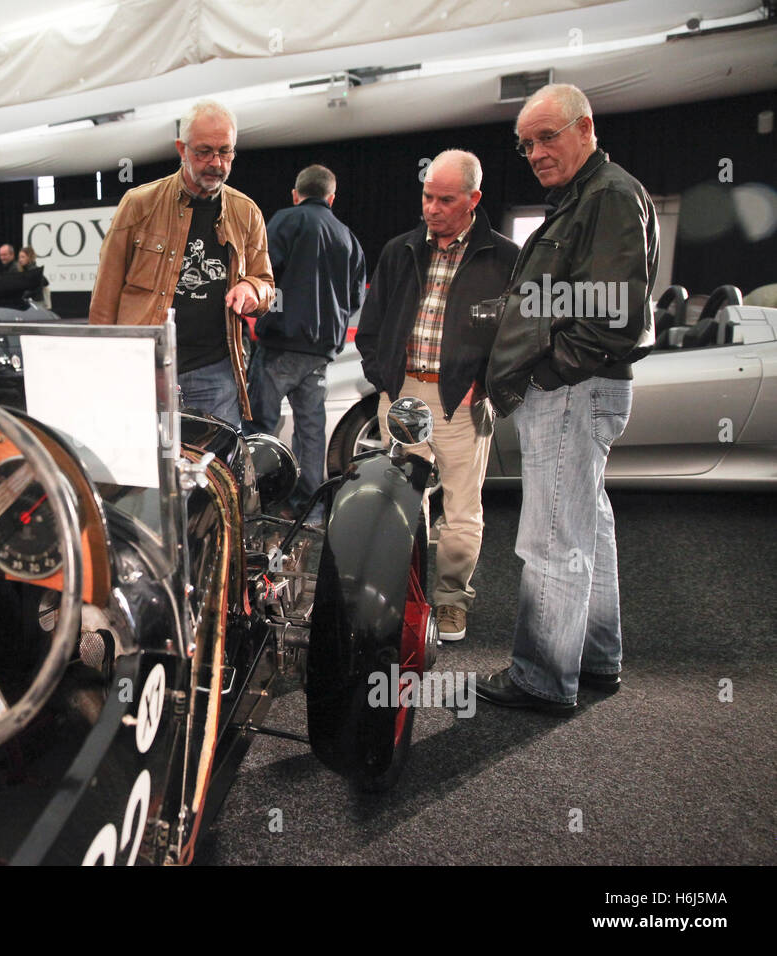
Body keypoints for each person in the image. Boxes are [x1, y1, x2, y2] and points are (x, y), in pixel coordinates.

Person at [480, 84, 658, 713]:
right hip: (581, 389)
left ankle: (542, 677)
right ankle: (595, 658)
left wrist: (549, 372)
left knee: (553, 537)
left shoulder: (606, 195)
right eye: (526, 144)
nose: (535, 153)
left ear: (585, 128)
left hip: (573, 391)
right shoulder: (589, 196)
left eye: (546, 137)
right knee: (588, 526)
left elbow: (615, 315)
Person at [356, 150, 517, 642]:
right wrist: (384, 379)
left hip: (462, 401)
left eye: (446, 200)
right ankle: (401, 596)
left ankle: (450, 602)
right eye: (427, 196)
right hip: (404, 392)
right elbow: (372, 325)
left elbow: (517, 337)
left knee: (462, 509)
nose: (432, 208)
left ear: (473, 199)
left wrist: (483, 385)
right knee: (400, 500)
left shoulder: (505, 258)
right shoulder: (400, 250)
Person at [89, 99, 274, 427]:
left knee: (218, 459)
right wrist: (104, 365)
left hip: (214, 373)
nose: (216, 162)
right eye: (204, 151)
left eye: (225, 151)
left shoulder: (247, 213)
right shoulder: (139, 204)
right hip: (144, 367)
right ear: (181, 149)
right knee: (141, 457)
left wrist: (252, 289)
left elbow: (266, 285)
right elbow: (106, 295)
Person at [247, 164, 366, 523]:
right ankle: (310, 510)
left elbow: (262, 273)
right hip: (321, 351)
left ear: (295, 194)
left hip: (280, 345)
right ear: (331, 197)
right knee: (311, 431)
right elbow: (355, 298)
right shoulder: (347, 237)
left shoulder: (286, 220)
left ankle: (253, 507)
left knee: (259, 427)